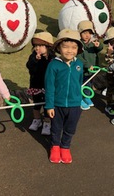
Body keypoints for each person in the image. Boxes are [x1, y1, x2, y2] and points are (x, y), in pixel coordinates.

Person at [45, 29, 83, 164]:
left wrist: (80, 100)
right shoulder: (53, 65)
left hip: (75, 105)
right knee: (56, 128)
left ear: (78, 49)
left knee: (70, 128)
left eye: (73, 47)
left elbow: (79, 83)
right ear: (59, 48)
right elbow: (49, 87)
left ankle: (65, 147)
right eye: (65, 47)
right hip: (57, 104)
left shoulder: (79, 64)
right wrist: (49, 105)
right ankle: (55, 147)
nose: (69, 51)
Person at [26, 32, 55, 135]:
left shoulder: (52, 58)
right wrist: (35, 60)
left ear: (47, 46)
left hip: (48, 86)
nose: (37, 48)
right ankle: (37, 120)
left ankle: (47, 123)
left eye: (40, 45)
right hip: (36, 85)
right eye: (35, 46)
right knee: (36, 105)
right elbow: (29, 67)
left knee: (47, 104)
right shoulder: (33, 56)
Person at [77, 20, 103, 110]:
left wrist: (98, 46)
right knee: (81, 84)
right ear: (80, 34)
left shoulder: (93, 43)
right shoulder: (79, 45)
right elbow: (79, 57)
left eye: (89, 33)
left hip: (92, 70)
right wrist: (87, 65)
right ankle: (79, 99)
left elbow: (100, 48)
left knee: (89, 84)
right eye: (84, 33)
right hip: (82, 70)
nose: (87, 35)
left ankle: (87, 97)